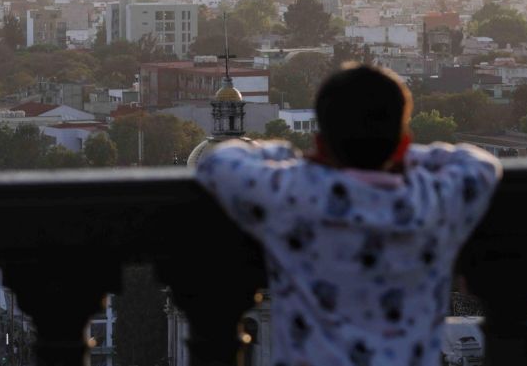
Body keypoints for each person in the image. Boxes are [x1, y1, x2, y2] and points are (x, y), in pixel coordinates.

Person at [195, 64, 501, 366]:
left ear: (320, 143)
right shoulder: (431, 198)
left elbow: (219, 163)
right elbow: (481, 165)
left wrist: (292, 156)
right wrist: (404, 155)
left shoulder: (293, 194)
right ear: (402, 143)